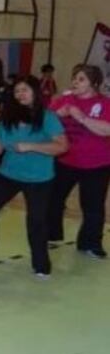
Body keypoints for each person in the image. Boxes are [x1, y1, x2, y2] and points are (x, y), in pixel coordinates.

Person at [0, 76, 67, 278]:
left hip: (39, 178)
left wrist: (32, 146)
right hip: (8, 174)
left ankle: (41, 262)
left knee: (36, 221)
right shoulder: (8, 118)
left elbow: (62, 146)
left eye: (25, 90)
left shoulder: (47, 117)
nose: (20, 94)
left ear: (35, 92)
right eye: (17, 90)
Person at [47, 65, 110, 259]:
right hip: (65, 160)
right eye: (75, 78)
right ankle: (52, 234)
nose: (75, 82)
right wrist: (58, 115)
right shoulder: (64, 101)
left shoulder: (104, 103)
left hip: (96, 164)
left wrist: (81, 117)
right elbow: (44, 123)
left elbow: (107, 130)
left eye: (81, 79)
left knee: (92, 205)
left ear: (94, 83)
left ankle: (90, 243)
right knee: (53, 199)